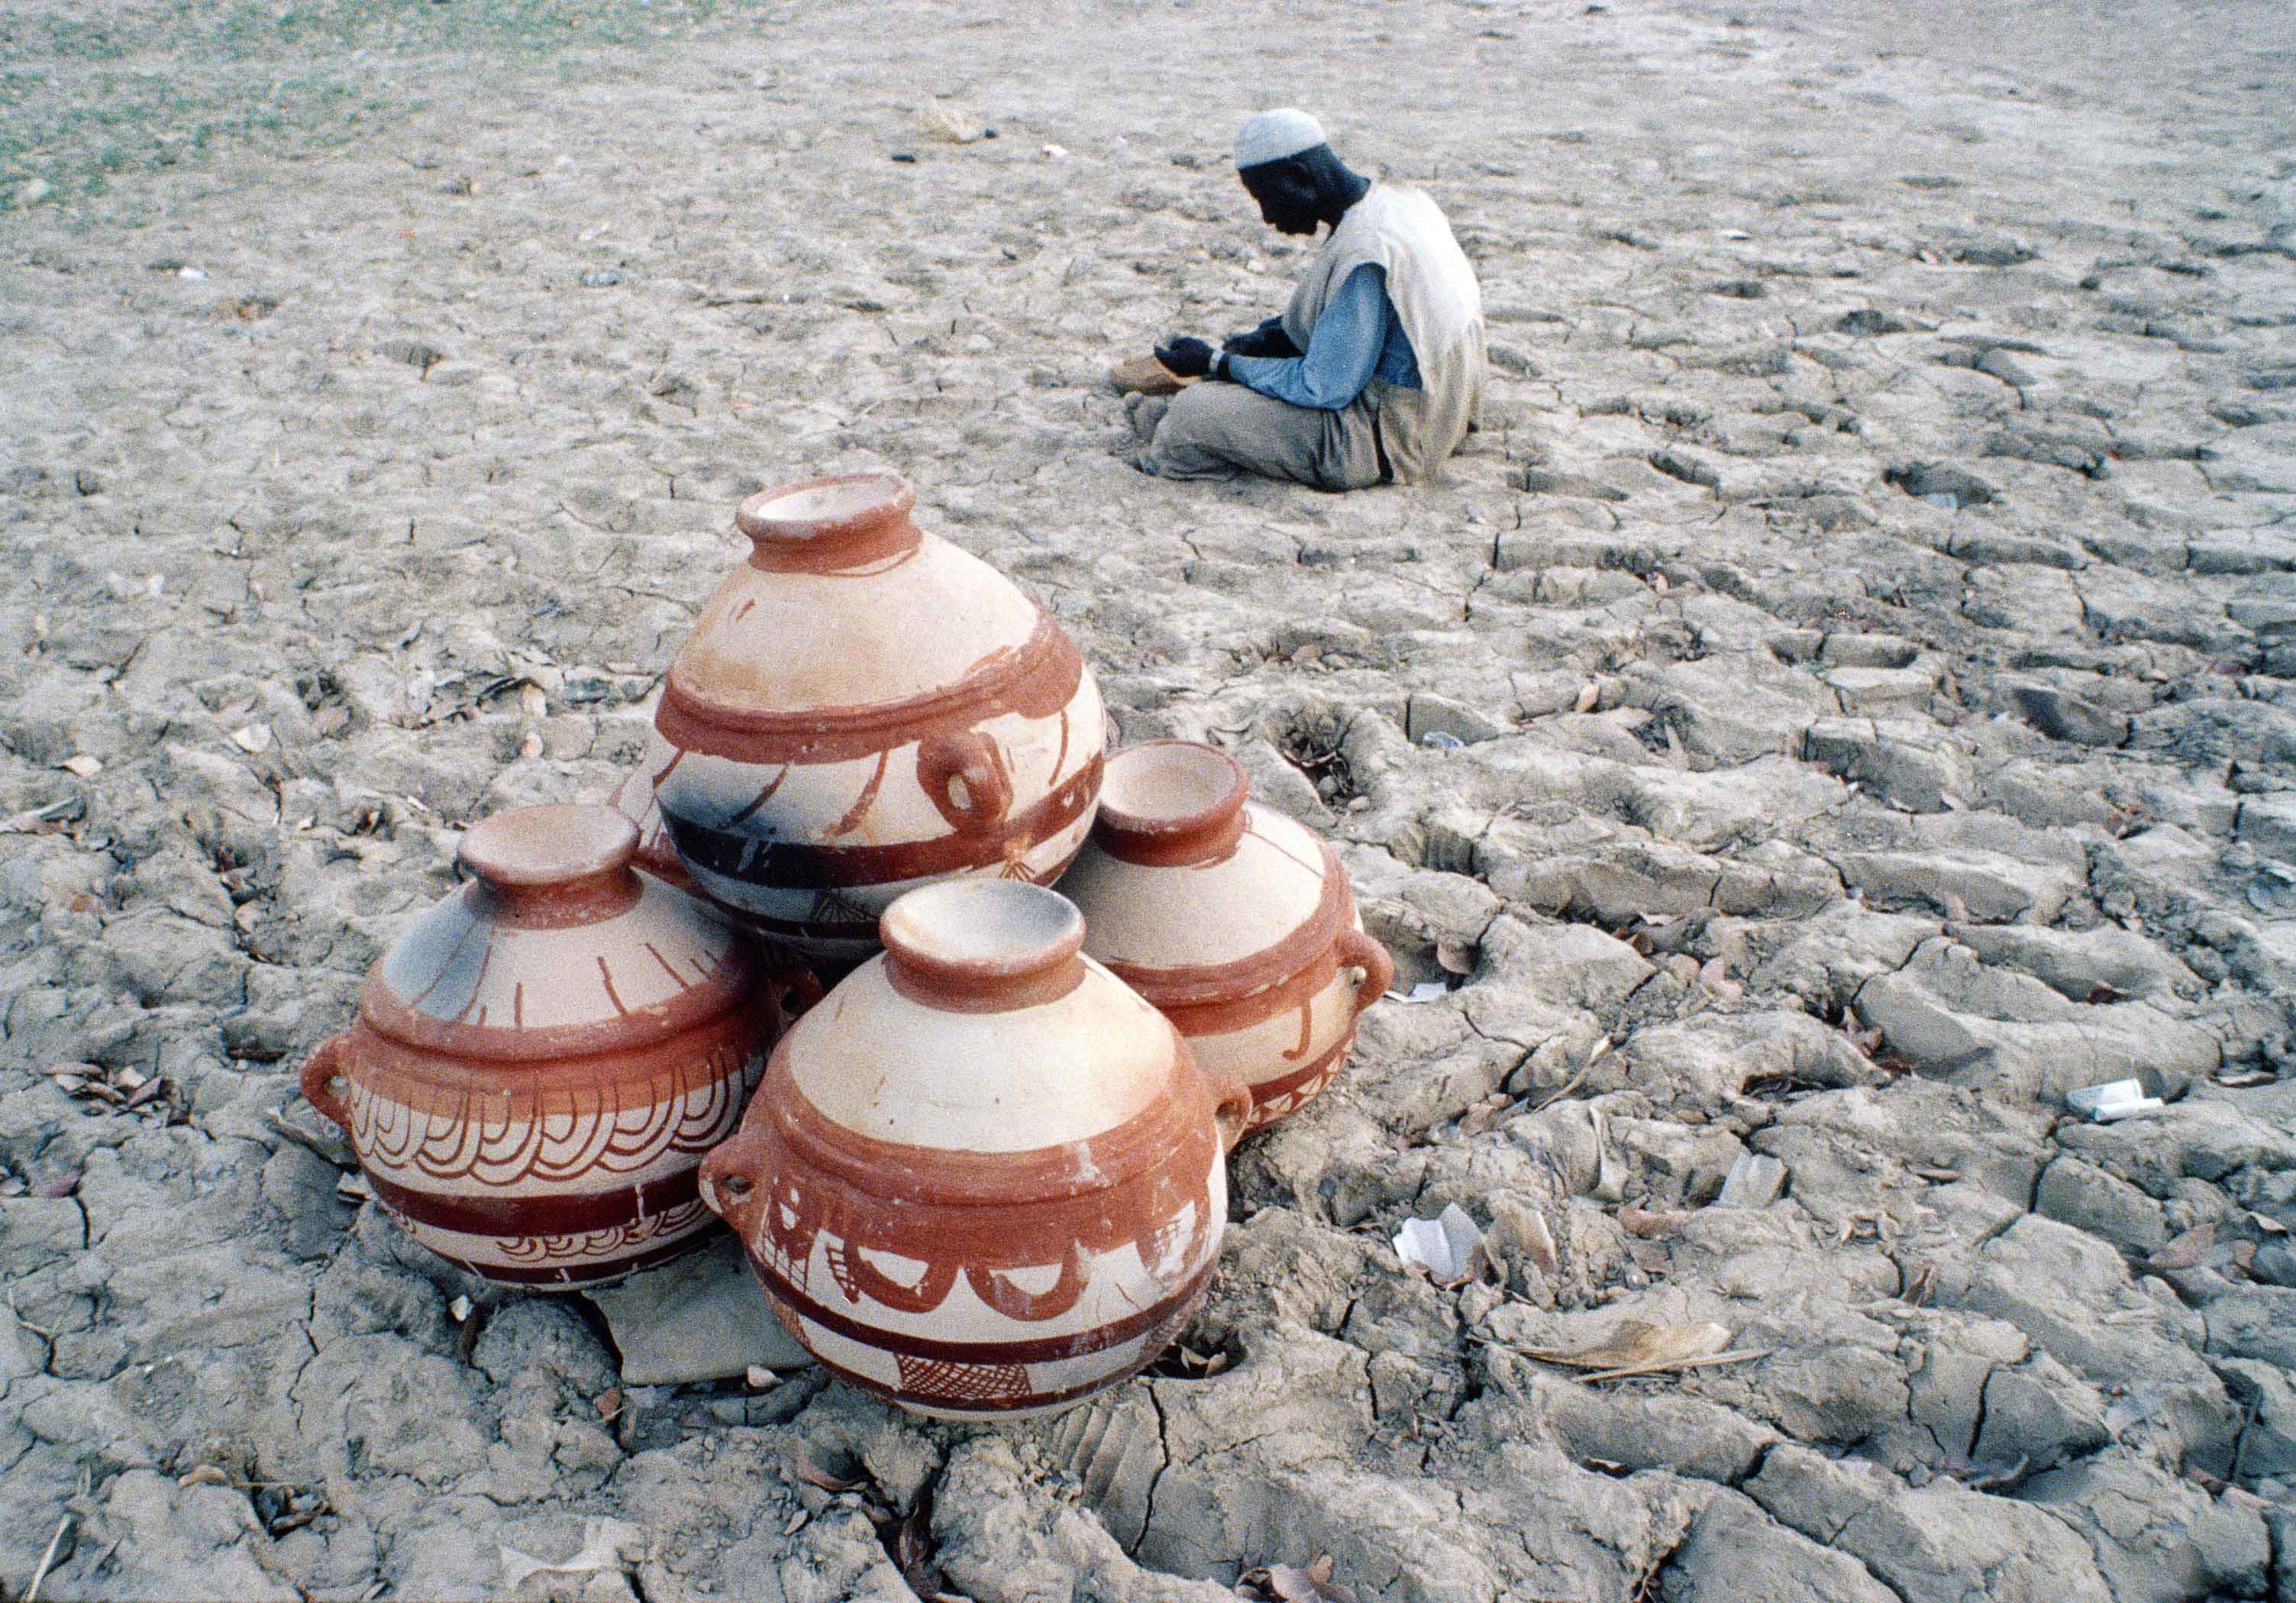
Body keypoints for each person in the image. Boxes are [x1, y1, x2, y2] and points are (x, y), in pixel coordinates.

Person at [1132, 108, 1486, 490]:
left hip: (1393, 439)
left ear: (1301, 177)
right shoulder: (1403, 202)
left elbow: (1324, 388)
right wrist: (1269, 341)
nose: (1267, 216)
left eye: (1267, 198)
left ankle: (1191, 460)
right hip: (1450, 408)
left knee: (1192, 415)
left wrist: (1219, 363)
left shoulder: (1365, 252)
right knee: (1234, 383)